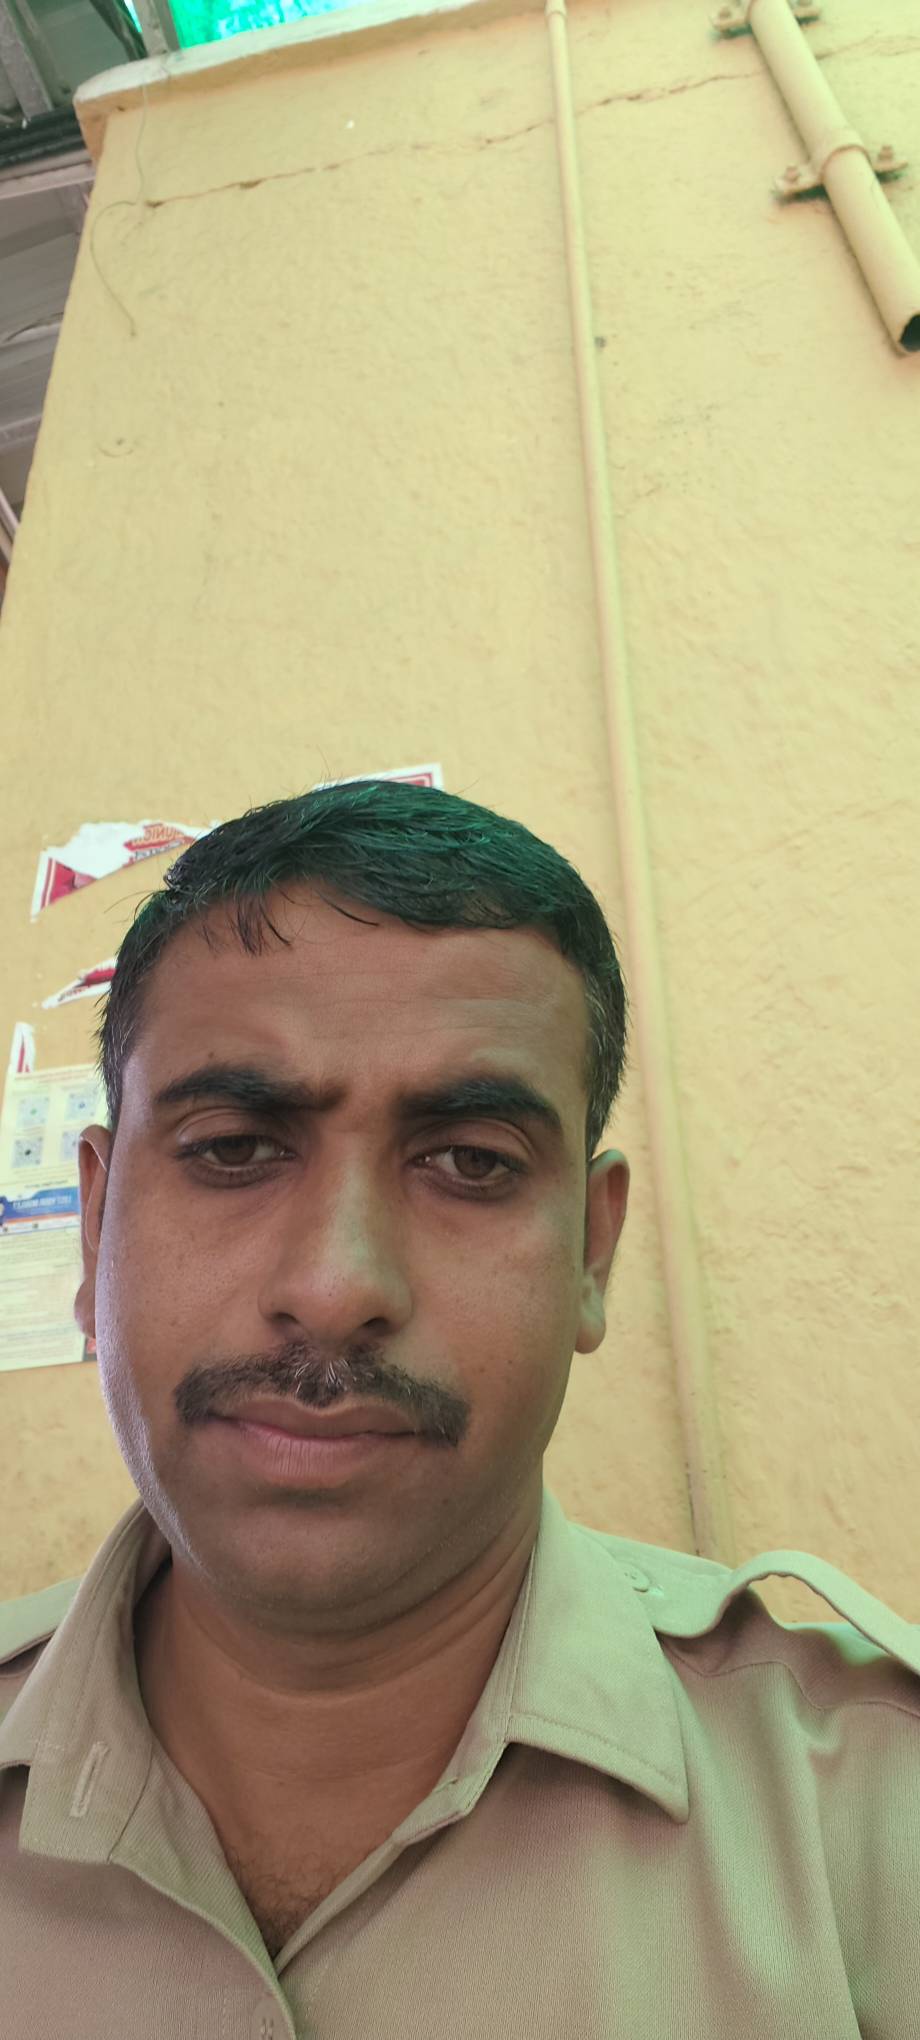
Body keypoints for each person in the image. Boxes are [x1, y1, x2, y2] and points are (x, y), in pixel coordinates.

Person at [2, 777, 918, 2034]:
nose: (335, 1287)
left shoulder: (871, 1818)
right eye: (234, 1147)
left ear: (590, 1254)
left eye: (469, 1163)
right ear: (96, 1224)